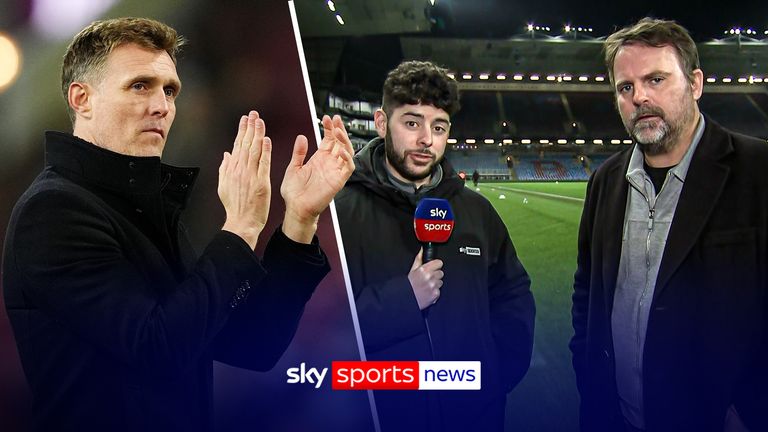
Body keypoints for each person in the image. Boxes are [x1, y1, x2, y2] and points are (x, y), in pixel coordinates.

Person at [2, 17, 354, 432]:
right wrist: (240, 227)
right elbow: (159, 348)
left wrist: (299, 220)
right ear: (82, 99)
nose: (162, 106)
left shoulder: (143, 212)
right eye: (140, 86)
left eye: (170, 89)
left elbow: (252, 344)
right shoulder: (54, 212)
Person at [570, 17, 767, 432]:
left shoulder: (758, 172)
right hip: (615, 418)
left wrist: (751, 410)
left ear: (695, 83)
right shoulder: (605, 181)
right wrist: (590, 377)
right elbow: (588, 290)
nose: (639, 96)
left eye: (656, 79)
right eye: (625, 87)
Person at [335, 60, 535, 432]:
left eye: (438, 127)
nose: (427, 139)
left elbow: (513, 295)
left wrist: (492, 378)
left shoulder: (477, 213)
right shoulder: (340, 213)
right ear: (381, 123)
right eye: (412, 123)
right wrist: (401, 300)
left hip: (475, 416)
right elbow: (319, 330)